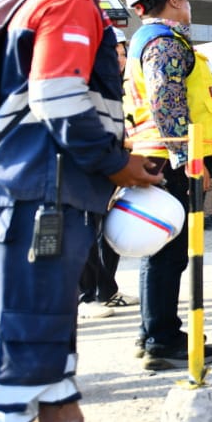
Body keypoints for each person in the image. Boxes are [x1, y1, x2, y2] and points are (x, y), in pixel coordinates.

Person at [0, 0, 160, 422]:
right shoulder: (68, 1)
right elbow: (58, 101)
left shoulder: (28, 2)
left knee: (50, 316)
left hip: (33, 187)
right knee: (29, 320)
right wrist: (116, 164)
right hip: (41, 192)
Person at [123, 0, 212, 370]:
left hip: (154, 152)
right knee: (168, 252)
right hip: (168, 157)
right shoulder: (164, 43)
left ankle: (152, 330)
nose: (188, 4)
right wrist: (189, 160)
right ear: (172, 0)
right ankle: (161, 337)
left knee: (160, 248)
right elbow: (167, 103)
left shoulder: (145, 41)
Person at [77, 26, 135, 320]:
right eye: (114, 53)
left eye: (123, 53)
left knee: (108, 229)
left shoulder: (123, 86)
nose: (119, 58)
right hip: (92, 166)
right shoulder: (87, 84)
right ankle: (87, 296)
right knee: (88, 231)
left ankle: (107, 289)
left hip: (116, 163)